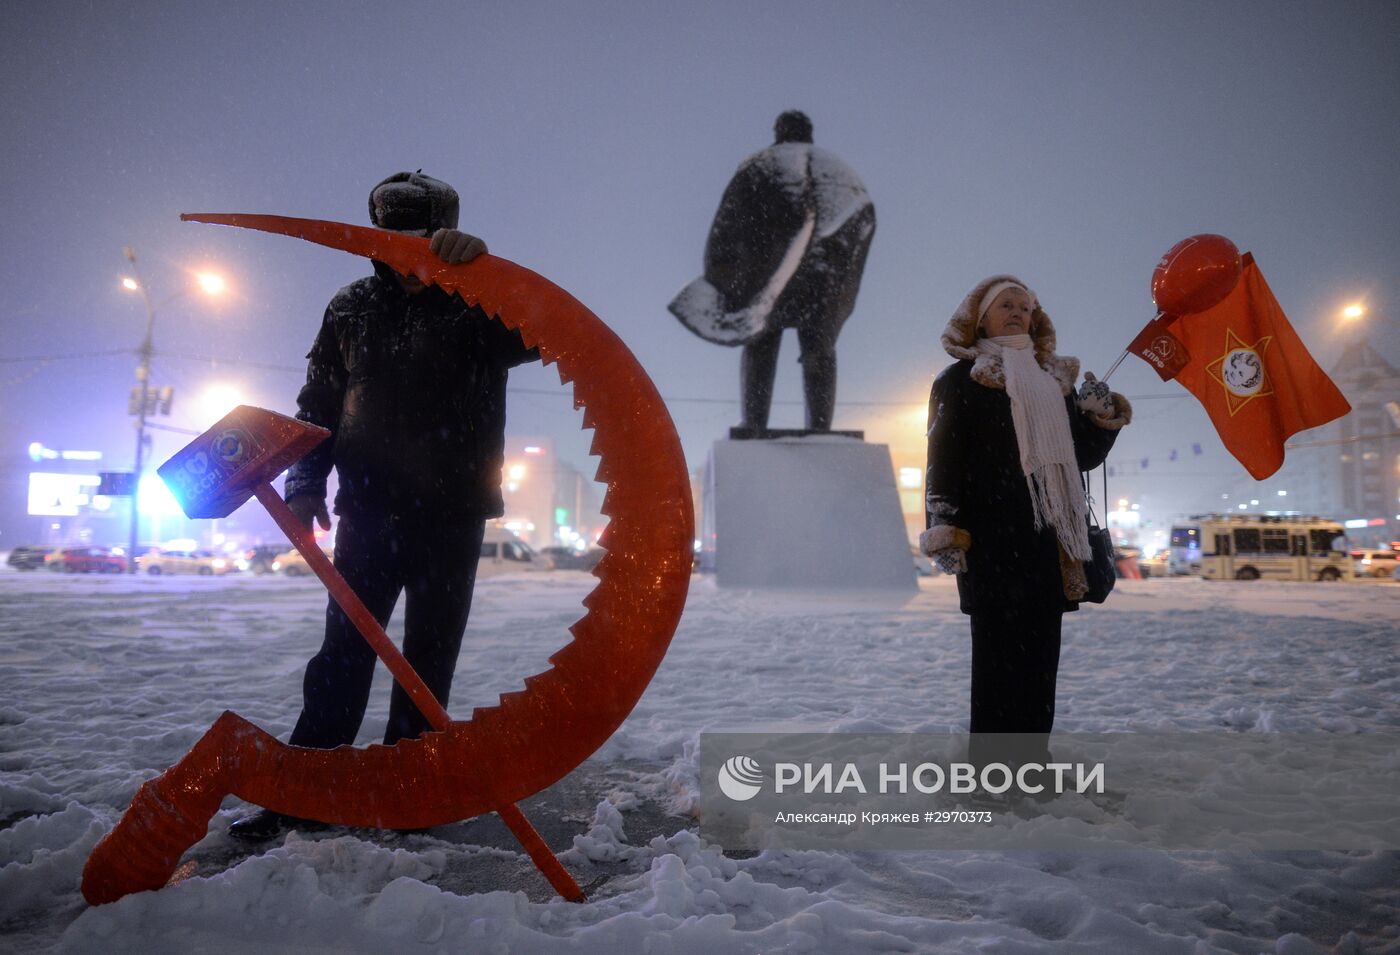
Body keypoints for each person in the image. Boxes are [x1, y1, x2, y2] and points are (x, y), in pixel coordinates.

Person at [230, 171, 538, 839]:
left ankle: (411, 794)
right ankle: (305, 790)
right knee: (342, 653)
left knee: (428, 658)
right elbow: (318, 405)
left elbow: (542, 332)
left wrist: (484, 269)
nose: (405, 255)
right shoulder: (349, 308)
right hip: (367, 511)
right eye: (392, 240)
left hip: (452, 514)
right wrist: (305, 483)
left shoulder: (476, 306)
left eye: (420, 241)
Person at [920, 276, 1131, 774]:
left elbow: (1080, 459)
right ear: (980, 317)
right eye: (1006, 305)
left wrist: (1097, 416)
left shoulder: (1054, 383)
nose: (1018, 313)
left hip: (1048, 544)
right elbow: (942, 460)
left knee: (1040, 665)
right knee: (996, 666)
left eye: (1026, 307)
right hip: (992, 544)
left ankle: (1031, 764)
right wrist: (946, 526)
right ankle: (992, 772)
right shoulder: (959, 381)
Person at [667, 110, 876, 433]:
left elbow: (729, 223)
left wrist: (723, 276)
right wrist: (841, 279)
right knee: (819, 348)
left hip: (772, 276)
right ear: (809, 132)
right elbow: (863, 223)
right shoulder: (841, 171)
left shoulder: (761, 164)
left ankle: (755, 423)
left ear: (780, 132)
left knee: (761, 341)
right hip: (825, 278)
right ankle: (821, 429)